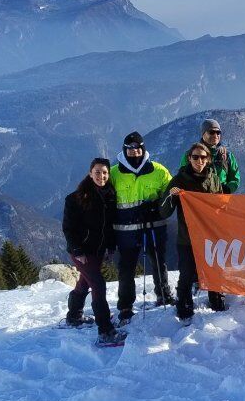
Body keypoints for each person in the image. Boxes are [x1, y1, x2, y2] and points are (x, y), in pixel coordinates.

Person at [110, 131, 175, 321]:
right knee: (126, 269)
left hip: (154, 226)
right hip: (125, 231)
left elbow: (170, 197)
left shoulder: (159, 171)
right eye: (130, 149)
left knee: (158, 262)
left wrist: (156, 208)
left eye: (138, 148)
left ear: (143, 148)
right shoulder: (114, 173)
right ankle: (125, 306)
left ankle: (164, 295)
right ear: (124, 150)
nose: (134, 152)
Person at [160, 141, 226, 318]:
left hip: (209, 235)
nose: (199, 161)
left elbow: (221, 205)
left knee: (213, 270)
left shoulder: (213, 178)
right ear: (189, 159)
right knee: (187, 273)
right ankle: (184, 305)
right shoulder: (179, 180)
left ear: (208, 159)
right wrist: (170, 195)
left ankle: (216, 299)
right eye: (195, 157)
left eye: (203, 157)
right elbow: (164, 211)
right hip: (187, 237)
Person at [61, 157, 123, 344]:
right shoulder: (76, 198)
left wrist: (111, 246)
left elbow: (109, 226)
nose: (101, 176)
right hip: (81, 251)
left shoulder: (109, 196)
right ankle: (105, 331)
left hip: (97, 251)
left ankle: (74, 316)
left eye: (105, 172)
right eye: (97, 172)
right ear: (90, 173)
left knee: (85, 282)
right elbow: (68, 227)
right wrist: (77, 249)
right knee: (98, 285)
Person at [200, 119, 240, 194]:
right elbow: (184, 176)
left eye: (218, 132)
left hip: (221, 201)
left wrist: (226, 190)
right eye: (211, 132)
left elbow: (235, 179)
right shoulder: (193, 155)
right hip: (199, 200)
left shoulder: (227, 155)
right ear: (203, 134)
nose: (215, 135)